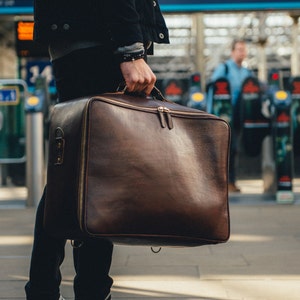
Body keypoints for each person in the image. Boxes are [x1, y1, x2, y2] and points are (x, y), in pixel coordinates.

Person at [25, 1, 169, 300]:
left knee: (74, 172)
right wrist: (131, 51)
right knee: (100, 173)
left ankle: (45, 289)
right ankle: (86, 290)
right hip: (99, 41)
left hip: (80, 37)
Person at [210, 39, 252, 193]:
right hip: (226, 116)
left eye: (244, 49)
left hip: (241, 114)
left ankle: (231, 181)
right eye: (239, 49)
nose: (242, 52)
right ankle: (225, 182)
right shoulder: (224, 69)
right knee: (227, 148)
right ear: (232, 52)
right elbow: (213, 89)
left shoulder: (247, 72)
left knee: (235, 149)